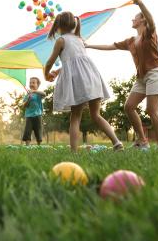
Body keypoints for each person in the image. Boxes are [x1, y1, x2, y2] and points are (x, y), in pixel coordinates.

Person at [85, 0, 158, 150]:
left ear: (142, 20)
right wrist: (89, 45)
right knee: (129, 106)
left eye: (135, 18)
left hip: (155, 74)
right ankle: (142, 140)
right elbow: (112, 46)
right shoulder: (131, 41)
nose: (132, 19)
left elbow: (151, 21)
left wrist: (141, 4)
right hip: (141, 78)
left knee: (152, 110)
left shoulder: (149, 33)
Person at [44, 11, 123, 152]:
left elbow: (51, 61)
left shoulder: (61, 40)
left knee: (75, 117)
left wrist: (46, 74)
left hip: (78, 83)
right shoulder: (79, 40)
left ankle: (74, 152)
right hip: (92, 78)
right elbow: (75, 63)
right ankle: (117, 142)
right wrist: (59, 71)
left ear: (58, 26)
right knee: (96, 115)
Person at [21, 77, 45, 146]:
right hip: (29, 116)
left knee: (38, 130)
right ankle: (27, 145)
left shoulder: (38, 94)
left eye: (33, 83)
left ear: (37, 85)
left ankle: (39, 144)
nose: (31, 84)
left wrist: (34, 91)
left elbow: (44, 94)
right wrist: (28, 99)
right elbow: (24, 106)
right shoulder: (27, 95)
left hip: (38, 116)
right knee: (27, 131)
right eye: (30, 83)